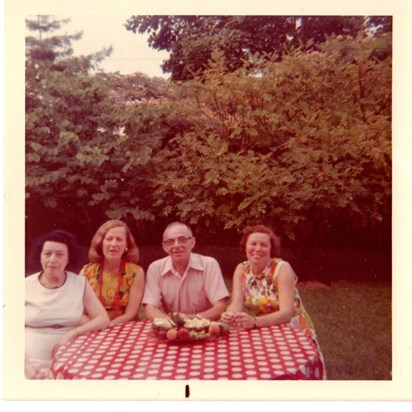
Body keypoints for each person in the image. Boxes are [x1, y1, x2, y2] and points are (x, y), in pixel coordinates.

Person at [25, 229, 110, 379]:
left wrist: (73, 333)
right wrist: (24, 365)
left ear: (68, 258)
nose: (52, 259)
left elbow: (103, 318)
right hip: (30, 363)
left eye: (59, 254)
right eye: (47, 254)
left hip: (72, 360)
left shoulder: (79, 283)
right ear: (40, 256)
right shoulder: (24, 285)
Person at [221, 224, 321, 340]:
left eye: (264, 245)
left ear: (271, 249)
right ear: (245, 246)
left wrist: (254, 321)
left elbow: (286, 314)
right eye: (253, 244)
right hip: (263, 329)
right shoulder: (241, 269)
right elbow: (236, 303)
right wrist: (230, 314)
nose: (257, 249)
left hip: (293, 331)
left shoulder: (282, 268)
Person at [142, 222, 229, 320]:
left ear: (192, 242)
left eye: (182, 240)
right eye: (170, 241)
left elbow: (220, 307)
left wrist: (188, 319)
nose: (177, 245)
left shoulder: (209, 265)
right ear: (164, 247)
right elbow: (150, 308)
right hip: (171, 328)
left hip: (204, 327)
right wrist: (170, 322)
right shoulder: (155, 268)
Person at [79, 220, 145, 326]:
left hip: (123, 329)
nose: (113, 244)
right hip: (92, 329)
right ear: (101, 243)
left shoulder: (135, 273)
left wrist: (108, 326)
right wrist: (94, 327)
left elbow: (131, 313)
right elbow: (80, 312)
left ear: (126, 245)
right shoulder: (86, 272)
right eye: (109, 239)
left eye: (119, 239)